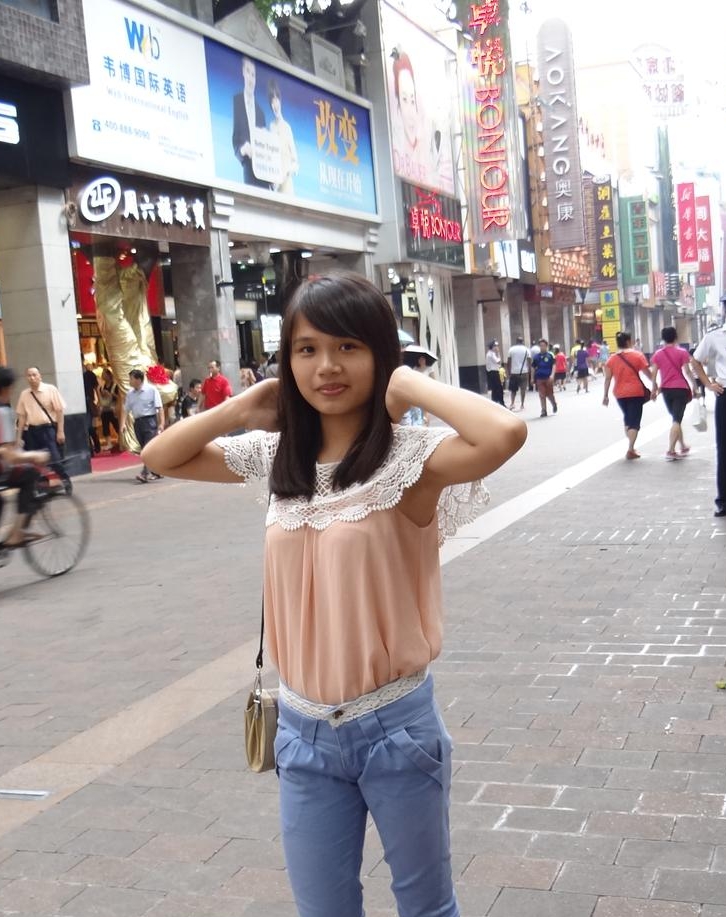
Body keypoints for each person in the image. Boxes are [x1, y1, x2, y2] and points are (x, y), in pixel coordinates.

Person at [141, 271, 527, 917]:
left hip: (395, 726)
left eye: (348, 346)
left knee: (426, 906)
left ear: (379, 353)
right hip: (302, 733)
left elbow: (505, 433)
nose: (326, 366)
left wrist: (409, 385)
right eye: (307, 349)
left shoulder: (411, 459)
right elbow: (161, 454)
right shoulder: (278, 458)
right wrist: (242, 406)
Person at [0, 366, 50, 547]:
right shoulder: (3, 412)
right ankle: (17, 533)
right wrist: (33, 456)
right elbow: (7, 455)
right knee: (30, 474)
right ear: (7, 388)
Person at [691, 303, 726, 516]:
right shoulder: (714, 337)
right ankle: (723, 500)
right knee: (724, 449)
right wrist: (708, 384)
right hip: (725, 394)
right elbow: (695, 360)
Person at [15, 366, 72, 494]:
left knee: (55, 459)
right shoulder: (24, 394)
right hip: (32, 431)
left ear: (40, 376)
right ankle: (44, 486)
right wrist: (18, 437)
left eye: (34, 375)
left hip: (48, 429)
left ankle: (65, 480)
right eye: (29, 375)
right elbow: (22, 417)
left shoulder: (50, 389)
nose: (32, 378)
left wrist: (60, 431)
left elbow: (59, 411)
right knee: (36, 462)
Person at [602, 331, 650, 460]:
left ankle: (631, 446)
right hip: (636, 392)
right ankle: (630, 448)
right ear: (629, 341)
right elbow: (647, 373)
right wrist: (655, 384)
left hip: (620, 394)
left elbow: (607, 379)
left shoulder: (611, 359)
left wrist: (605, 395)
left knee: (628, 418)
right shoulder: (637, 356)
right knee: (634, 421)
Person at [650, 327, 695, 461]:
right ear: (676, 337)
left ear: (663, 338)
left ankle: (683, 446)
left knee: (676, 418)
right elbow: (687, 371)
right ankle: (670, 450)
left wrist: (653, 389)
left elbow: (654, 373)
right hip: (680, 389)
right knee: (676, 420)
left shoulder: (658, 354)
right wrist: (695, 385)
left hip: (666, 391)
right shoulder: (682, 352)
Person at [119, 369, 165, 483]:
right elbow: (125, 409)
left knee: (147, 449)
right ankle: (156, 470)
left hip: (150, 421)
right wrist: (123, 424)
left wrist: (161, 423)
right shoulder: (130, 394)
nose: (129, 381)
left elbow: (159, 408)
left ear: (138, 380)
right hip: (137, 423)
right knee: (144, 448)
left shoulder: (151, 390)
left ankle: (144, 474)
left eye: (131, 379)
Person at [232, 55, 268, 188]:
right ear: (243, 72)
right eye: (248, 72)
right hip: (248, 172)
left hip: (263, 175)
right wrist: (243, 150)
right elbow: (235, 141)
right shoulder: (237, 101)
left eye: (253, 74)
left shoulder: (261, 112)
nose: (251, 78)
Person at [268, 78, 298, 194]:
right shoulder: (271, 127)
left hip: (286, 185)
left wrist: (286, 173)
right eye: (272, 102)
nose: (274, 105)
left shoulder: (286, 127)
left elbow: (295, 161)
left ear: (280, 101)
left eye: (276, 100)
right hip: (275, 186)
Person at [531, 339, 558, 417]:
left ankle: (554, 403)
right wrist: (532, 378)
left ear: (546, 346)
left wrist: (552, 375)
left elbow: (554, 365)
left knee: (549, 394)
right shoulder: (536, 357)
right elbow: (533, 367)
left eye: (543, 346)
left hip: (548, 377)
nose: (542, 347)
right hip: (539, 378)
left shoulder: (550, 355)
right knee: (542, 395)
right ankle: (543, 410)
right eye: (540, 346)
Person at [98, 367, 121, 449]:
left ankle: (120, 440)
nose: (103, 376)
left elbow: (119, 397)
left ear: (109, 375)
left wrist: (111, 394)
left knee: (116, 425)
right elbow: (100, 398)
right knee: (105, 426)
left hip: (113, 408)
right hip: (105, 409)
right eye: (102, 374)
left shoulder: (115, 385)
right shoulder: (102, 386)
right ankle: (109, 443)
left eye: (104, 374)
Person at [506, 336, 530, 411]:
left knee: (513, 389)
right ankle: (522, 404)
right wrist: (529, 371)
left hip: (514, 372)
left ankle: (512, 403)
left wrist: (508, 372)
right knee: (523, 389)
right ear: (522, 342)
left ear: (516, 341)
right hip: (524, 372)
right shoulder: (526, 349)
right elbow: (529, 361)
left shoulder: (511, 349)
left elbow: (508, 362)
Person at [83, 363, 101, 454]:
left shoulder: (89, 374)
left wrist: (99, 401)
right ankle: (91, 448)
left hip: (88, 402)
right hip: (79, 403)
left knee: (88, 426)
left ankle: (94, 446)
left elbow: (96, 388)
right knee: (86, 427)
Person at [485, 340, 504, 406]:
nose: (497, 347)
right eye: (495, 346)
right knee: (498, 388)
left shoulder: (490, 353)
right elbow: (498, 361)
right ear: (492, 347)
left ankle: (496, 402)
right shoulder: (491, 354)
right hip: (494, 372)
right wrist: (498, 353)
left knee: (495, 388)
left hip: (493, 372)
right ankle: (500, 402)